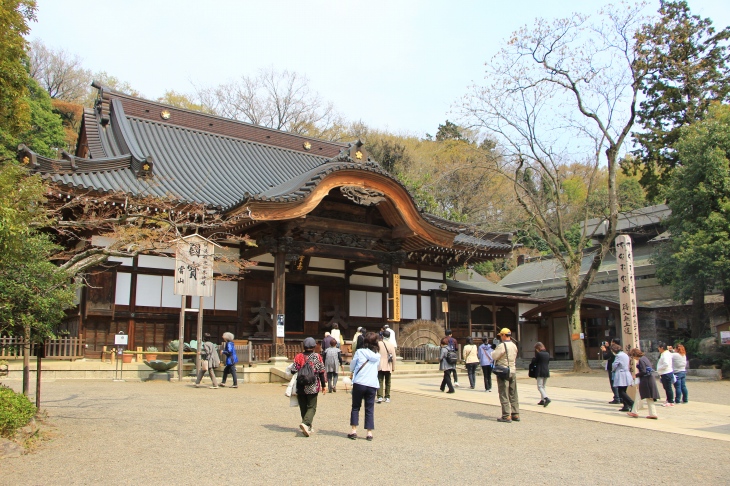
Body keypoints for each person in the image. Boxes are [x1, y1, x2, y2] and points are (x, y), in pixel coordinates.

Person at [349, 332, 381, 441]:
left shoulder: (360, 352)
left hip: (360, 382)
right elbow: (377, 367)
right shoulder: (377, 356)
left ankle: (354, 430)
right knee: (369, 408)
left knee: (355, 406)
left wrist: (352, 371)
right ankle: (369, 432)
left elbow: (353, 365)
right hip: (372, 383)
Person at [292, 337, 327, 437]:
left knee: (303, 406)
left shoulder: (298, 356)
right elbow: (321, 371)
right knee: (312, 406)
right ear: (314, 346)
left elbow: (293, 370)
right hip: (313, 384)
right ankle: (306, 423)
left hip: (301, 385)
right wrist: (324, 385)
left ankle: (307, 425)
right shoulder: (317, 356)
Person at [492, 328, 520, 422]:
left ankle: (506, 415)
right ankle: (515, 413)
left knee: (504, 392)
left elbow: (494, 356)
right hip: (512, 370)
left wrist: (494, 349)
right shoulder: (514, 345)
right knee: (513, 393)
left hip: (503, 370)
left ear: (504, 335)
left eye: (501, 335)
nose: (500, 337)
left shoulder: (502, 345)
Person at [627, 348, 660, 419]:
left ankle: (634, 412)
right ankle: (653, 413)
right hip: (650, 379)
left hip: (646, 380)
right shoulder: (645, 358)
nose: (634, 358)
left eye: (633, 356)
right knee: (649, 397)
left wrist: (636, 375)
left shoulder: (641, 360)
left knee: (639, 395)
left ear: (635, 355)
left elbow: (644, 371)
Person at [611, 344, 634, 412]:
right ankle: (626, 405)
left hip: (621, 374)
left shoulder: (618, 355)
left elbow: (615, 364)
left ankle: (631, 402)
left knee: (621, 391)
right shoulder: (624, 354)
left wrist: (613, 369)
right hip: (626, 373)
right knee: (623, 390)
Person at [377, 330, 396, 403]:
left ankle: (380, 396)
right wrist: (393, 367)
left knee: (380, 381)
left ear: (382, 336)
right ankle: (387, 396)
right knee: (388, 382)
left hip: (380, 364)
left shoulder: (379, 343)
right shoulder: (391, 345)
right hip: (388, 365)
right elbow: (394, 357)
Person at [601, 338, 622, 404]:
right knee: (618, 383)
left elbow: (606, 357)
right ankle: (620, 397)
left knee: (614, 383)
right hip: (619, 368)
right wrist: (608, 347)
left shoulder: (613, 351)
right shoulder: (620, 350)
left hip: (612, 368)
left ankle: (617, 397)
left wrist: (604, 351)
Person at [656, 341, 675, 406]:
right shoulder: (666, 353)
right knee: (667, 387)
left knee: (668, 387)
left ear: (662, 348)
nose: (658, 349)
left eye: (659, 347)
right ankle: (669, 399)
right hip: (666, 372)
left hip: (666, 372)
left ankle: (670, 401)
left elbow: (666, 364)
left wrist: (659, 368)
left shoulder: (665, 354)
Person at [532, 342, 551, 407]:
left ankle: (546, 398)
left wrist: (533, 365)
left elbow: (535, 363)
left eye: (536, 349)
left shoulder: (539, 354)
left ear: (538, 348)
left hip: (540, 371)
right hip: (546, 371)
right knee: (543, 386)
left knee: (540, 386)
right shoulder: (547, 354)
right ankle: (542, 400)